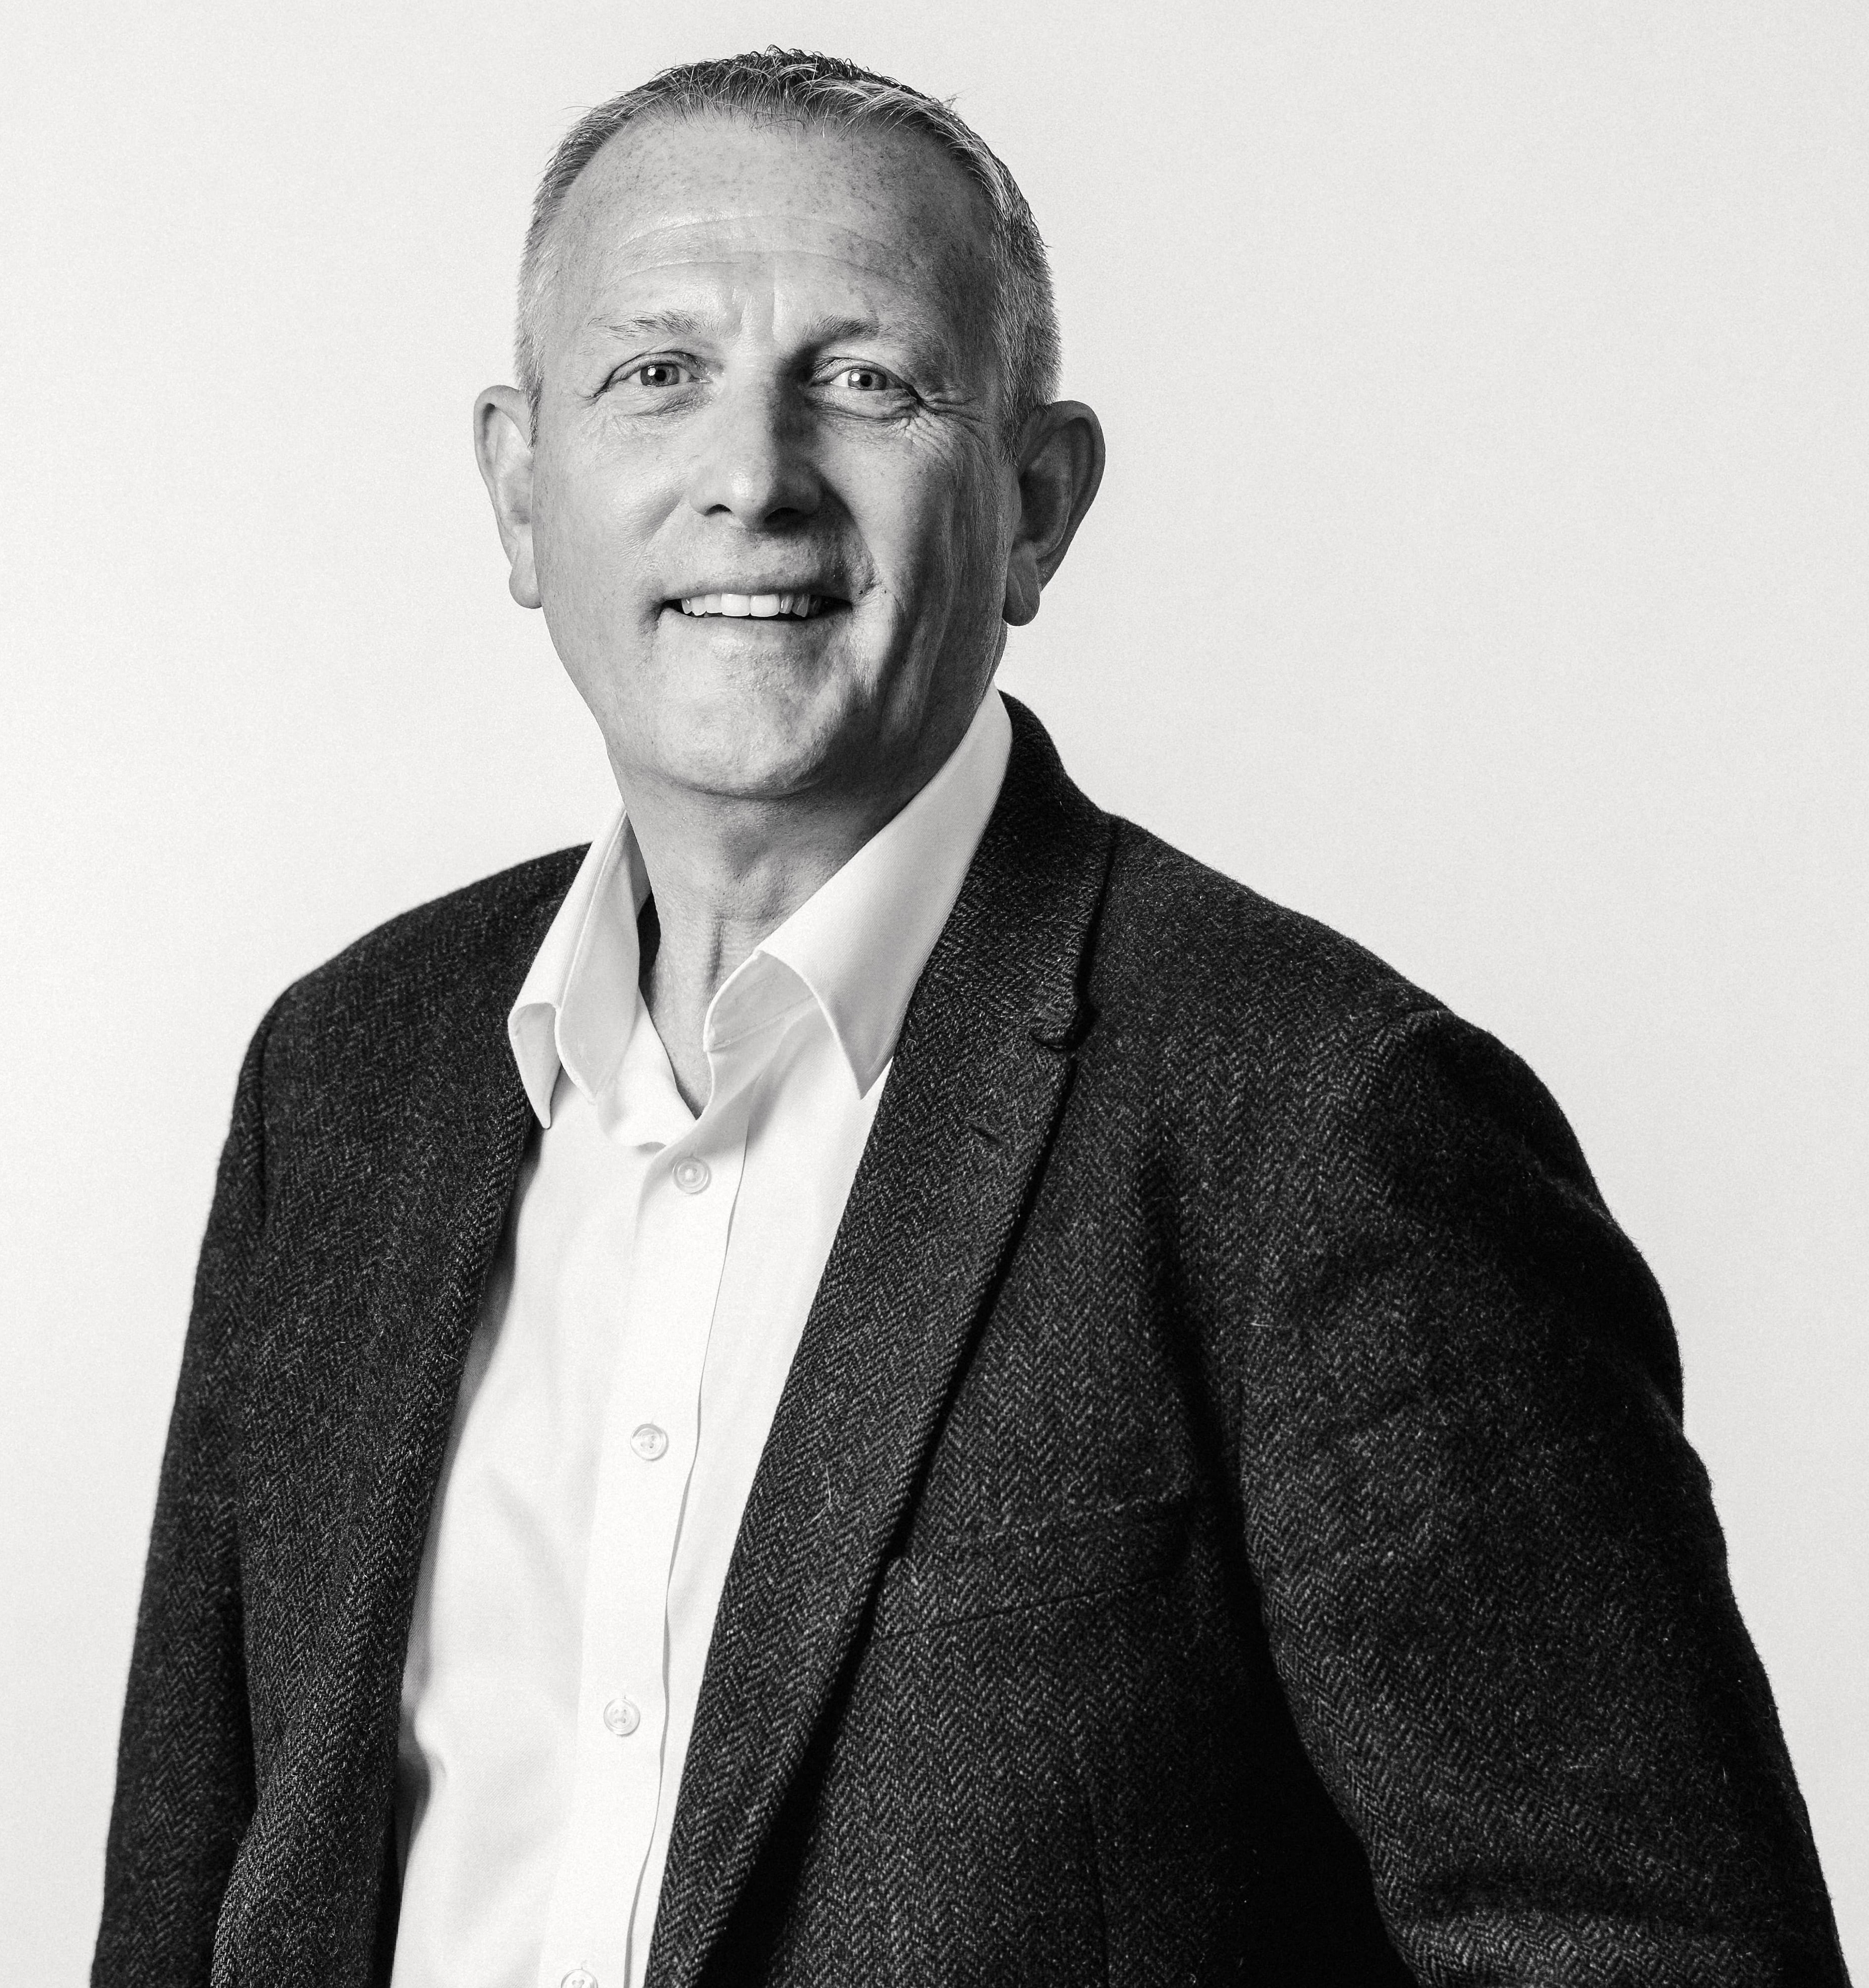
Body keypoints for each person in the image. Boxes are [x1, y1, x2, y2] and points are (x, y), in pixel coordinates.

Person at [93, 47, 1847, 1988]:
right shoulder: (346, 1081)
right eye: (655, 373)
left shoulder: (1326, 1130)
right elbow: (182, 1902)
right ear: (521, 489)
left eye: (867, 382)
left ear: (1036, 504)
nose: (752, 478)